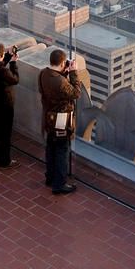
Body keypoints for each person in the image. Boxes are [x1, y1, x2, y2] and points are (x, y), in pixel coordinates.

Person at [38, 49, 81, 195]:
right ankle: (59, 184)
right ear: (63, 63)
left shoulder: (43, 73)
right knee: (62, 151)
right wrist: (74, 73)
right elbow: (76, 93)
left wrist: (64, 73)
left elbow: (54, 86)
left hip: (48, 117)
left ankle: (50, 177)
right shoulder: (61, 82)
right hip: (61, 120)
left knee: (51, 148)